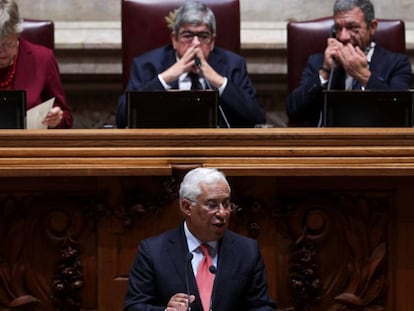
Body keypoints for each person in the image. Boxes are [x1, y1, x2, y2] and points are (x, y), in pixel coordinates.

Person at [124, 167, 276, 311]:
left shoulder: (247, 250)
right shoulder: (153, 251)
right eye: (212, 205)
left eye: (226, 204)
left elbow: (262, 306)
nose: (223, 213)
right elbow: (134, 306)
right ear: (187, 207)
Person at [116, 1, 265, 128]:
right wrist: (166, 77)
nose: (195, 44)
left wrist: (216, 80)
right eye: (187, 35)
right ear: (174, 39)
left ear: (212, 42)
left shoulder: (233, 65)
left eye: (203, 36)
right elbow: (122, 117)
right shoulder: (146, 65)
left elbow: (257, 118)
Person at [285, 0, 413, 126]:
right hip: (327, 141)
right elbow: (293, 111)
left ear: (372, 27)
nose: (343, 37)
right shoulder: (318, 61)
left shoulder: (397, 64)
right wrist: (325, 73)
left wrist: (364, 76)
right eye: (338, 28)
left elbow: (401, 113)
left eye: (353, 28)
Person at [0, 0, 72, 128]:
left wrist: (56, 119)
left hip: (29, 144)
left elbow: (66, 118)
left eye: (7, 44)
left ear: (17, 34)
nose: (1, 51)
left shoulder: (42, 58)